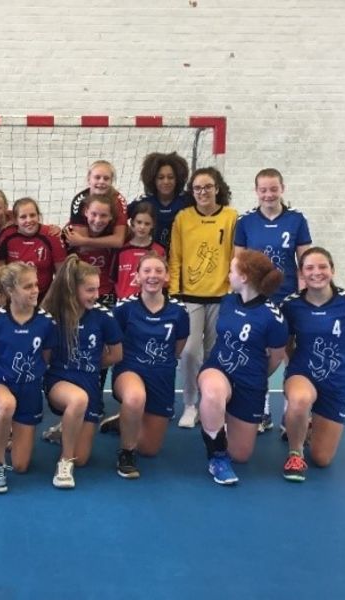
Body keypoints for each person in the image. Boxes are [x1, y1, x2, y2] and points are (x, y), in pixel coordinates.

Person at [280, 247, 345, 482]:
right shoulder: (291, 305)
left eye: (322, 267)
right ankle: (295, 453)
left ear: (332, 270)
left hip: (336, 382)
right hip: (302, 374)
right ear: (301, 273)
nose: (316, 272)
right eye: (309, 268)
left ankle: (308, 426)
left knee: (321, 459)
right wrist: (295, 367)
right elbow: (286, 344)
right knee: (300, 399)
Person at [197, 251, 288, 485]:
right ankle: (217, 457)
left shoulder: (272, 317)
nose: (228, 275)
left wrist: (255, 377)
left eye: (232, 271)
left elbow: (276, 358)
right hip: (218, 369)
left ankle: (217, 423)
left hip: (250, 383)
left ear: (244, 277)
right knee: (213, 393)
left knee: (240, 455)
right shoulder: (228, 302)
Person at [234, 168, 312, 432]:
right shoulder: (245, 221)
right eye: (263, 190)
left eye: (273, 189)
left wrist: (303, 296)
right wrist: (243, 297)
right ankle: (262, 410)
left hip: (287, 297)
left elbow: (304, 262)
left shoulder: (296, 219)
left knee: (291, 354)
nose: (268, 194)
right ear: (256, 191)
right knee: (259, 355)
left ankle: (291, 414)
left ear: (282, 189)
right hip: (259, 300)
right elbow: (239, 263)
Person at [104, 253, 189, 478]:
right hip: (130, 371)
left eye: (159, 271)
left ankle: (124, 420)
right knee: (135, 397)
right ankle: (126, 452)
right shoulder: (124, 308)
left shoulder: (179, 312)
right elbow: (113, 344)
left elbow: (177, 348)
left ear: (167, 276)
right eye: (147, 271)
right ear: (137, 277)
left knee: (149, 450)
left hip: (161, 377)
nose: (153, 275)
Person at [41, 255, 123, 489]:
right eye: (89, 290)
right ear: (72, 289)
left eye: (97, 289)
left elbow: (116, 355)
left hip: (89, 384)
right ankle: (64, 462)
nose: (96, 295)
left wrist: (89, 364)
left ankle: (65, 430)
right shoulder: (51, 316)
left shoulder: (103, 316)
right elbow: (43, 358)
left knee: (83, 459)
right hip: (59, 382)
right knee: (77, 399)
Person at [0, 262, 58, 493]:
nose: (35, 290)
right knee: (7, 405)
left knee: (21, 466)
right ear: (11, 291)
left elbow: (46, 357)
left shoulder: (46, 322)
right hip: (1, 384)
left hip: (30, 390)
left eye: (36, 284)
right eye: (27, 286)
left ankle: (12, 433)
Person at [168, 167, 238, 428]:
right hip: (190, 296)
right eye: (197, 188)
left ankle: (216, 404)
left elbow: (236, 255)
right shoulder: (183, 218)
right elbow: (176, 257)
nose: (203, 192)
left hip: (221, 296)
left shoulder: (231, 217)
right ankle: (190, 404)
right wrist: (174, 293)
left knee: (215, 354)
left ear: (217, 188)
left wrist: (234, 291)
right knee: (189, 353)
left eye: (208, 187)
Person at [0, 197, 66, 300]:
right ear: (15, 220)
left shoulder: (51, 235)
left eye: (32, 215)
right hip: (14, 296)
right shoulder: (6, 236)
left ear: (38, 216)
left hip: (44, 295)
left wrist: (52, 299)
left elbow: (61, 274)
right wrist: (4, 298)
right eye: (23, 217)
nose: (29, 220)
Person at [127, 152, 189, 255]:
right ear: (153, 180)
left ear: (177, 179)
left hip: (181, 255)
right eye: (160, 178)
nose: (166, 181)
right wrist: (129, 233)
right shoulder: (144, 201)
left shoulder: (187, 200)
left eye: (170, 177)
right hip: (152, 256)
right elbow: (120, 218)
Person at [66, 161, 128, 252]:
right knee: (64, 234)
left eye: (106, 178)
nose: (101, 181)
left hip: (108, 241)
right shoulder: (79, 201)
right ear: (89, 179)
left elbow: (118, 241)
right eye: (97, 177)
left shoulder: (118, 201)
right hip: (94, 244)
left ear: (111, 181)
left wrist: (85, 241)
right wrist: (109, 243)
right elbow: (83, 247)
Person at [112, 201, 166, 300]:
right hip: (124, 303)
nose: (142, 227)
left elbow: (163, 281)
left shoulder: (159, 251)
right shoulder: (121, 250)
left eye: (147, 224)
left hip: (149, 303)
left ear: (153, 225)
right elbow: (114, 280)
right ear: (132, 222)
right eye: (139, 222)